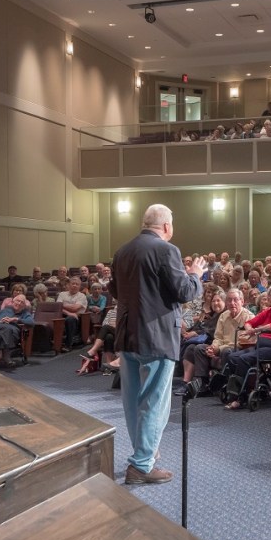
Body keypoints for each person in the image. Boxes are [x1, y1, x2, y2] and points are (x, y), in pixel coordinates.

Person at [109, 204, 205, 485]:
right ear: (166, 226)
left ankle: (145, 451)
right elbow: (184, 291)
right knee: (154, 401)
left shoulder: (123, 251)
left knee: (133, 400)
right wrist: (196, 274)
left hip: (127, 334)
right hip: (157, 336)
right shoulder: (166, 250)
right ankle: (141, 465)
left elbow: (115, 290)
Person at [223, 283, 271, 410]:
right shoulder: (268, 311)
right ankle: (242, 388)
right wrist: (250, 329)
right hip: (262, 346)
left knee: (244, 359)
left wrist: (256, 330)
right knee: (232, 357)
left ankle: (241, 397)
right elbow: (249, 322)